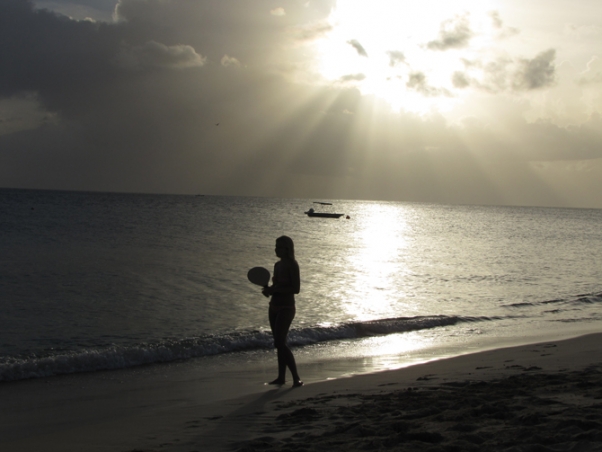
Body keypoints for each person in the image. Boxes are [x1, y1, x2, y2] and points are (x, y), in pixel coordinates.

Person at [262, 235, 303, 387]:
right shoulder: (277, 265)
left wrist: (276, 290)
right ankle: (281, 377)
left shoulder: (292, 265)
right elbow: (276, 286)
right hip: (273, 306)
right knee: (278, 343)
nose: (276, 249)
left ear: (287, 249)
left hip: (287, 307)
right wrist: (269, 290)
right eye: (275, 246)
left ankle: (296, 378)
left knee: (280, 342)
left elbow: (296, 289)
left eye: (279, 246)